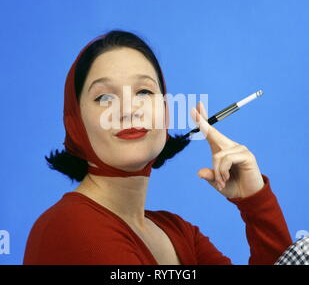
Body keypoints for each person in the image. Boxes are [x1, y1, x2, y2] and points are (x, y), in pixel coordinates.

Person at [23, 30, 292, 265]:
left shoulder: (180, 233)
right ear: (74, 123)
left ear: (164, 111)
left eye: (144, 92)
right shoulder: (70, 227)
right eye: (105, 97)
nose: (129, 109)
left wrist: (256, 202)